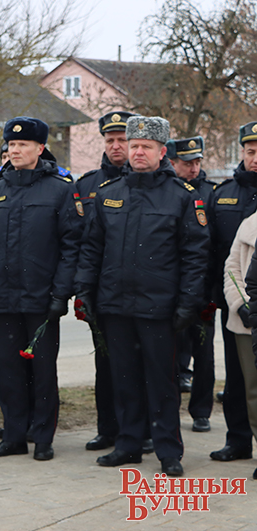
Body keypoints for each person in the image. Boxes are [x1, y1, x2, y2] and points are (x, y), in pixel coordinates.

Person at [74, 116, 210, 477]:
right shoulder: (109, 193)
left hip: (159, 308)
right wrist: (85, 291)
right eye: (133, 146)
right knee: (124, 379)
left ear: (162, 152)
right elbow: (91, 248)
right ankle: (128, 444)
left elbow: (195, 255)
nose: (137, 152)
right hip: (115, 305)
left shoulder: (182, 196)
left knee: (162, 383)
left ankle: (168, 451)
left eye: (146, 147)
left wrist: (188, 303)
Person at [0, 116, 83, 461]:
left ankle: (43, 438)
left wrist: (60, 294)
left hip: (41, 299)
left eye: (23, 144)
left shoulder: (60, 190)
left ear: (40, 148)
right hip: (2, 298)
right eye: (11, 144)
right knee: (9, 372)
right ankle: (14, 436)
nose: (15, 150)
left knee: (43, 372)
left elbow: (71, 247)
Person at [75, 111, 137, 453]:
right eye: (110, 140)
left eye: (122, 140)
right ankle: (108, 429)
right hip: (103, 291)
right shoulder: (87, 185)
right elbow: (80, 240)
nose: (116, 146)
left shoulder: (146, 182)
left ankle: (140, 430)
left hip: (140, 291)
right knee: (106, 364)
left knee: (143, 366)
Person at [207, 121, 257, 463]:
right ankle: (238, 440)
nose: (256, 158)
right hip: (234, 303)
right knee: (237, 377)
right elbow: (212, 251)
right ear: (242, 152)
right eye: (251, 151)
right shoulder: (223, 193)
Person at [166, 135, 216, 431]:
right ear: (172, 163)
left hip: (203, 288)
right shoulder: (167, 192)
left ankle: (201, 411)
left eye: (197, 162)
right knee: (171, 355)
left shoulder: (211, 193)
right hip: (172, 287)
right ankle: (170, 410)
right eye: (187, 163)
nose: (194, 168)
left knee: (204, 354)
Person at [226, 211, 257, 481]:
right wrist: (241, 305)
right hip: (248, 322)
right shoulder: (249, 224)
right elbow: (232, 268)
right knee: (254, 391)